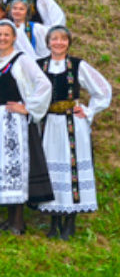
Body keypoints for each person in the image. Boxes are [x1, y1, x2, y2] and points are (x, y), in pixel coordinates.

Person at [37, 26, 112, 240]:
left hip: (72, 123)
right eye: (54, 39)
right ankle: (54, 220)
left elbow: (103, 89)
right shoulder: (40, 65)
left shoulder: (77, 66)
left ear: (68, 42)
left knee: (72, 169)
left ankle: (70, 222)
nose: (58, 43)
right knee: (51, 168)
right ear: (48, 42)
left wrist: (89, 110)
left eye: (63, 39)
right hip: (49, 124)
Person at [0, 20, 52, 235]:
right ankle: (9, 218)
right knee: (2, 166)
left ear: (14, 38)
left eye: (6, 35)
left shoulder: (22, 60)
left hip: (14, 122)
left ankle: (18, 222)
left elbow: (44, 83)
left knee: (14, 168)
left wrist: (28, 107)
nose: (1, 38)